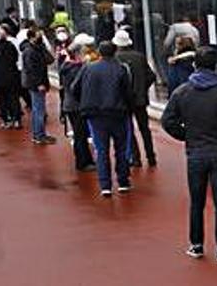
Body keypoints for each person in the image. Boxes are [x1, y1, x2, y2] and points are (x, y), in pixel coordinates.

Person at [161, 46, 217, 264]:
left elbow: (168, 121)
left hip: (195, 151)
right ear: (216, 66)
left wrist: (186, 135)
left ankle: (196, 244)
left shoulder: (182, 91)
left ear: (195, 65)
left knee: (196, 201)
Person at [71, 41, 134, 197]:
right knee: (121, 148)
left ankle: (105, 184)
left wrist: (86, 101)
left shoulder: (88, 68)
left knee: (101, 149)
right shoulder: (121, 69)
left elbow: (74, 88)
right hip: (117, 113)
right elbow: (127, 91)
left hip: (95, 114)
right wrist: (128, 108)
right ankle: (123, 181)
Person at [113, 29, 159, 167]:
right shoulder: (139, 56)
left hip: (124, 100)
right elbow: (151, 75)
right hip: (140, 98)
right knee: (145, 129)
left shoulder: (116, 59)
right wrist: (142, 87)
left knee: (129, 130)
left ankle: (136, 157)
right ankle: (151, 156)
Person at [59, 41, 96, 172]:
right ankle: (82, 162)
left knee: (80, 134)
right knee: (80, 134)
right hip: (76, 106)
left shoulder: (67, 67)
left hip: (71, 105)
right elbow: (79, 88)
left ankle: (85, 160)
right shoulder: (75, 69)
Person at [21, 28, 57, 144]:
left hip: (40, 82)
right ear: (31, 37)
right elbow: (31, 70)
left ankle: (39, 134)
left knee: (39, 109)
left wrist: (43, 47)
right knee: (38, 110)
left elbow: (50, 60)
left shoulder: (38, 49)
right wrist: (39, 84)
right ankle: (38, 135)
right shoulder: (30, 51)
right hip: (36, 84)